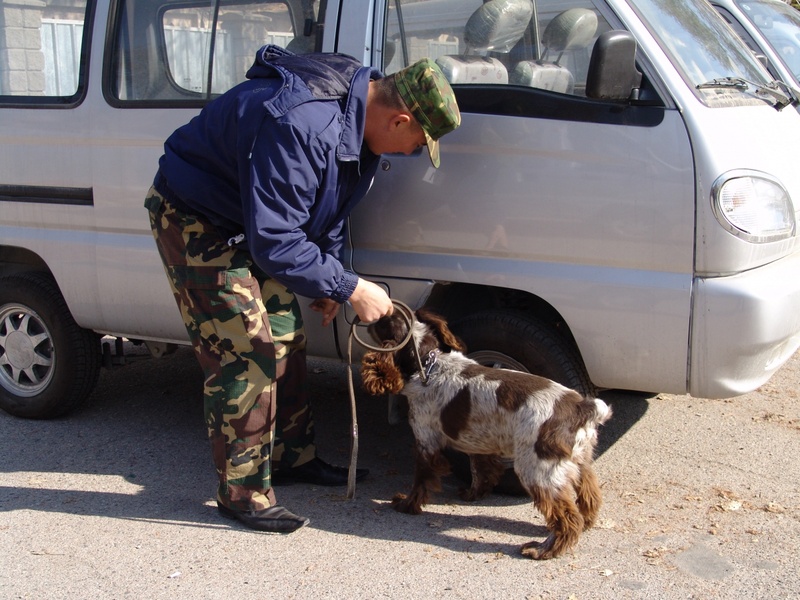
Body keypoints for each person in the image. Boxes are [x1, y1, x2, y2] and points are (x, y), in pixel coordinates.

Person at [144, 45, 461, 534]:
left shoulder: (359, 118)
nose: (416, 153)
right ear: (398, 120)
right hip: (198, 220)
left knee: (288, 334)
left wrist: (331, 272)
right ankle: (242, 492)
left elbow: (329, 198)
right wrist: (351, 286)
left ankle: (291, 456)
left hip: (252, 223)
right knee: (247, 350)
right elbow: (275, 240)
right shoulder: (303, 124)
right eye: (419, 141)